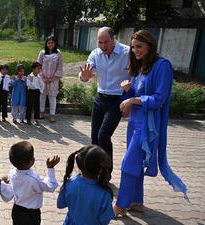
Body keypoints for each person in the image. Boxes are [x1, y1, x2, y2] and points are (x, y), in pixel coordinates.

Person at [113, 30, 188, 216]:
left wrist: (132, 100)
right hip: (134, 123)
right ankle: (136, 201)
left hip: (149, 126)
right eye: (133, 46)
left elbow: (159, 99)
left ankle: (121, 205)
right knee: (136, 164)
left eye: (139, 46)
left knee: (128, 164)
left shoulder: (162, 66)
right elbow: (135, 98)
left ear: (150, 46)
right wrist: (128, 91)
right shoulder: (140, 67)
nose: (135, 50)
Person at [79, 27, 130, 175]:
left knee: (103, 135)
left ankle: (106, 172)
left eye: (106, 42)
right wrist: (85, 76)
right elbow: (85, 74)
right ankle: (94, 170)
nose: (103, 46)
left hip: (117, 100)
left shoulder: (127, 53)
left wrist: (131, 98)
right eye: (100, 42)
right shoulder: (95, 53)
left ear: (114, 39)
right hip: (100, 98)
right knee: (95, 136)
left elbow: (136, 74)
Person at [57, 145, 114, 225]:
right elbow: (105, 219)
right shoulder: (104, 194)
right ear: (101, 169)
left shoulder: (69, 183)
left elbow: (61, 204)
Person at [8, 141, 60, 225]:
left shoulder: (12, 171)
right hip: (31, 214)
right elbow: (51, 186)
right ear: (32, 161)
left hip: (17, 210)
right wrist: (50, 169)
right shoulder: (34, 179)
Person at [37, 36, 63, 123]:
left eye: (52, 43)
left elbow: (59, 67)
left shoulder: (58, 53)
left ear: (54, 43)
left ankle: (52, 114)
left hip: (54, 79)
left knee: (52, 97)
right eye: (48, 43)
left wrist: (53, 78)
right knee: (42, 95)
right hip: (43, 78)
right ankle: (41, 112)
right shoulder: (42, 53)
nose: (50, 44)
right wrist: (43, 77)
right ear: (46, 44)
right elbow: (38, 65)